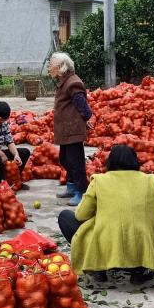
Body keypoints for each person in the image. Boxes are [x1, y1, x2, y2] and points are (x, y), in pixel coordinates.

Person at [57, 145, 154, 285]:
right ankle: (140, 269)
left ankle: (98, 269)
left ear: (110, 162)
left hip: (105, 245)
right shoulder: (150, 180)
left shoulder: (99, 180)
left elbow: (81, 215)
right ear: (135, 161)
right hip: (140, 245)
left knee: (66, 217)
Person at [48, 52, 92, 206]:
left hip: (73, 130)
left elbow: (83, 106)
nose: (49, 67)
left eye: (51, 64)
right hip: (67, 130)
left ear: (61, 67)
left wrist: (85, 119)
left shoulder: (73, 82)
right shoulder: (64, 81)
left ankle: (81, 191)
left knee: (76, 162)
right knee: (65, 159)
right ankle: (71, 187)